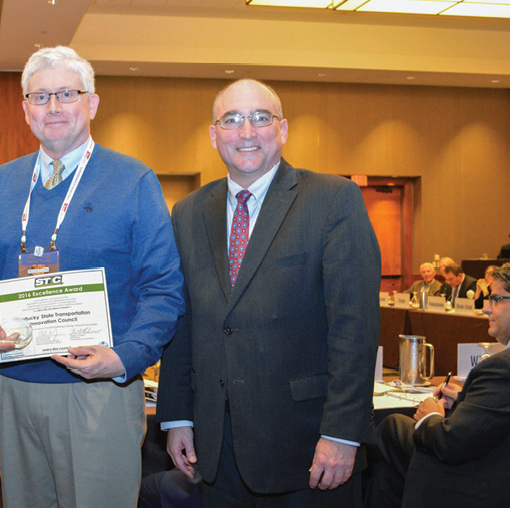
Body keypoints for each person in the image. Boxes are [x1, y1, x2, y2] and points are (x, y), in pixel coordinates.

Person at [0, 46, 185, 508]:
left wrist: (125, 358)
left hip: (98, 393)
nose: (52, 107)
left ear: (92, 103)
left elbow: (163, 288)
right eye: (40, 97)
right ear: (24, 109)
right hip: (12, 391)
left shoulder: (133, 180)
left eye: (66, 94)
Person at [157, 79, 381, 507]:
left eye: (261, 118)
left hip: (307, 451)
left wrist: (341, 433)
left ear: (283, 129)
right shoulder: (187, 213)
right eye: (232, 120)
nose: (246, 132)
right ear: (213, 134)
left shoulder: (333, 200)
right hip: (215, 451)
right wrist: (178, 417)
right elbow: (183, 323)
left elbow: (355, 329)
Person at [364, 264, 510, 508]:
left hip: (478, 484)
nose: (485, 308)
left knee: (391, 427)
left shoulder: (501, 367)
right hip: (490, 462)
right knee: (386, 475)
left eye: (495, 299)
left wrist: (430, 415)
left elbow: (450, 443)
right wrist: (466, 400)